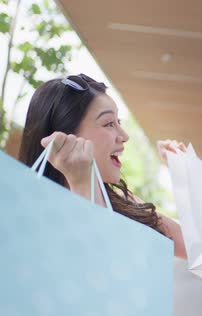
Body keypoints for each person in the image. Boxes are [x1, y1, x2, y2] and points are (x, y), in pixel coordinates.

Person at [19, 73, 188, 259]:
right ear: (64, 136)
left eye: (119, 122)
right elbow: (98, 271)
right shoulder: (25, 214)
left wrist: (185, 173)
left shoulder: (121, 200)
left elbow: (190, 247)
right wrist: (82, 183)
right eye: (108, 124)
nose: (124, 136)